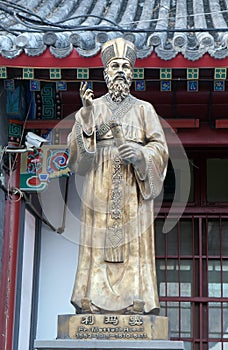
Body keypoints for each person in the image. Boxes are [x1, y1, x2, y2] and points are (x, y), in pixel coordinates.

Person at [67, 37, 169, 315]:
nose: (121, 70)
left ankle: (138, 301)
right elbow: (77, 158)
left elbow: (160, 149)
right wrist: (86, 118)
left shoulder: (144, 109)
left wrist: (139, 155)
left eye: (125, 66)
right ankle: (91, 302)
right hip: (99, 188)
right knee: (97, 244)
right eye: (115, 66)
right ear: (106, 73)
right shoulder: (92, 107)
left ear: (133, 73)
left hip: (133, 193)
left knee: (134, 244)